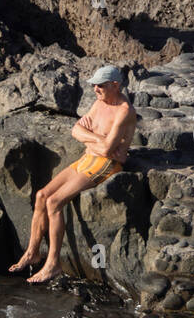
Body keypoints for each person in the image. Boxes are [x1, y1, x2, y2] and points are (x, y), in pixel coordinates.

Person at [9, 65, 137, 283]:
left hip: (107, 165)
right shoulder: (100, 103)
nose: (95, 89)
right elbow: (76, 130)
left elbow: (107, 152)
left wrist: (95, 141)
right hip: (89, 158)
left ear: (115, 85)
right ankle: (32, 253)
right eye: (94, 85)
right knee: (41, 195)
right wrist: (98, 140)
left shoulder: (124, 111)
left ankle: (53, 264)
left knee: (54, 202)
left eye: (101, 85)